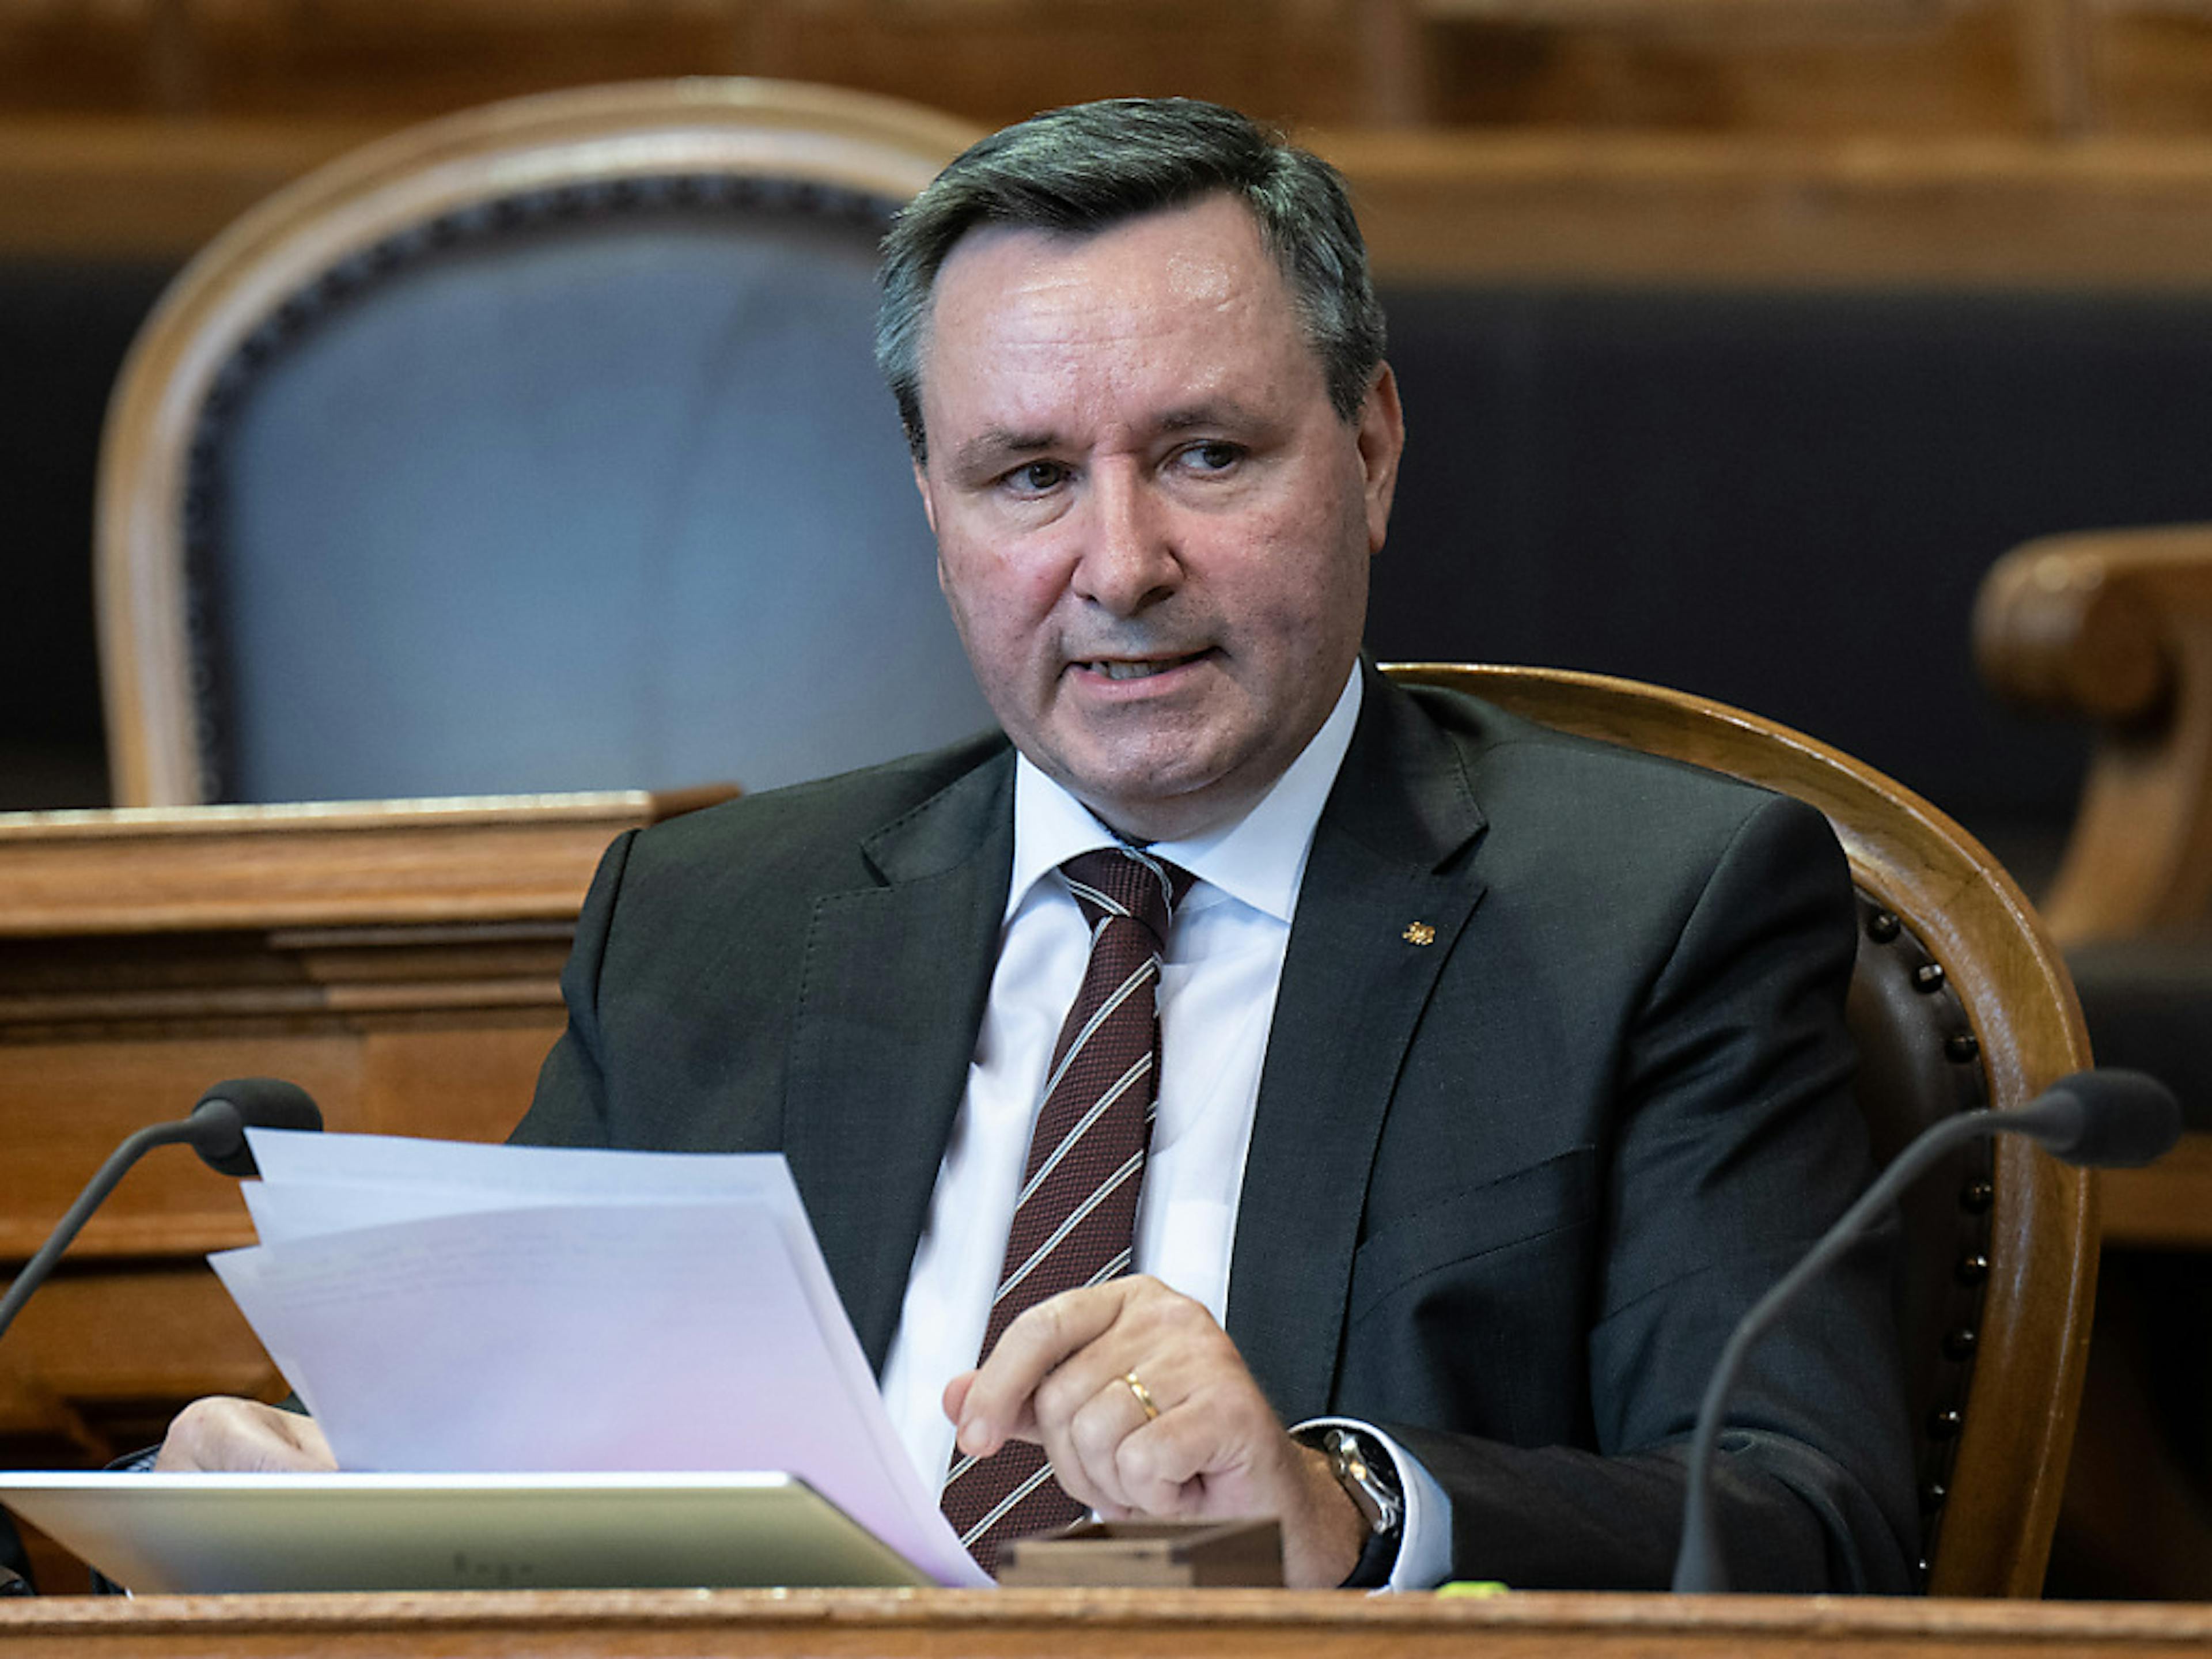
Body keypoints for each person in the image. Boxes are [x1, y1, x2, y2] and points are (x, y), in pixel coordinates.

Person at [156, 96, 1916, 1593]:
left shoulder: (1652, 911)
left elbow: (1805, 1520)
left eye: (1207, 456)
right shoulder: (707, 924)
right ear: (931, 509)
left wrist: (1349, 1507)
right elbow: (540, 1471)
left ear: (1368, 452)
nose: (1121, 564)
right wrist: (359, 1497)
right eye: (1027, 479)